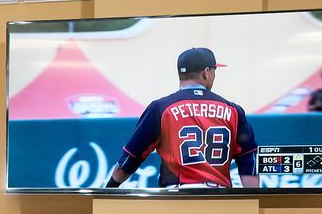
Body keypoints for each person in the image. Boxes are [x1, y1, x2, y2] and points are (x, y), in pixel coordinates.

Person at [104, 47, 258, 188]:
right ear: (206, 72)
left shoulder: (161, 108)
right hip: (219, 199)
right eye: (214, 70)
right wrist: (253, 203)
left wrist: (109, 189)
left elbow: (130, 159)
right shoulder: (233, 110)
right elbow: (248, 160)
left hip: (176, 200)